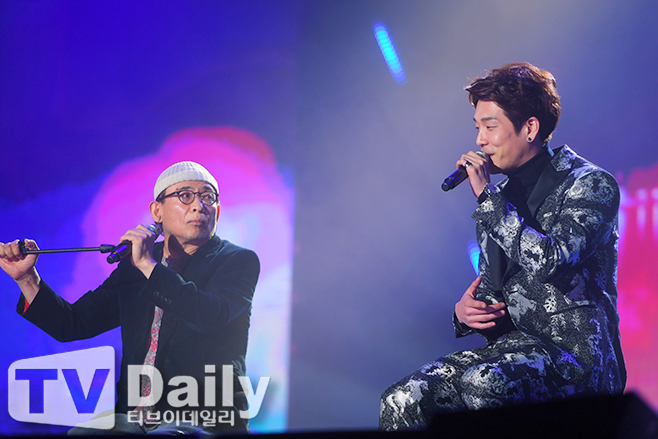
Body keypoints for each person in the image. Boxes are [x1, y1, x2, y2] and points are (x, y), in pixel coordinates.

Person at [379, 63, 626, 430]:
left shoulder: (589, 184)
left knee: (485, 383)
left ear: (530, 128)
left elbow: (551, 260)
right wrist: (466, 313)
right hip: (514, 351)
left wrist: (487, 200)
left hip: (578, 360)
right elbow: (496, 292)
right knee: (402, 399)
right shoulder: (498, 199)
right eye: (477, 127)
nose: (480, 140)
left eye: (490, 127)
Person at [0, 161, 260, 435]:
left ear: (217, 211)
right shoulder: (135, 266)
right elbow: (73, 323)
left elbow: (210, 316)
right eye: (185, 195)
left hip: (202, 416)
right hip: (135, 418)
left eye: (207, 197)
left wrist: (148, 265)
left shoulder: (237, 260)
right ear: (157, 211)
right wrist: (26, 278)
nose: (199, 205)